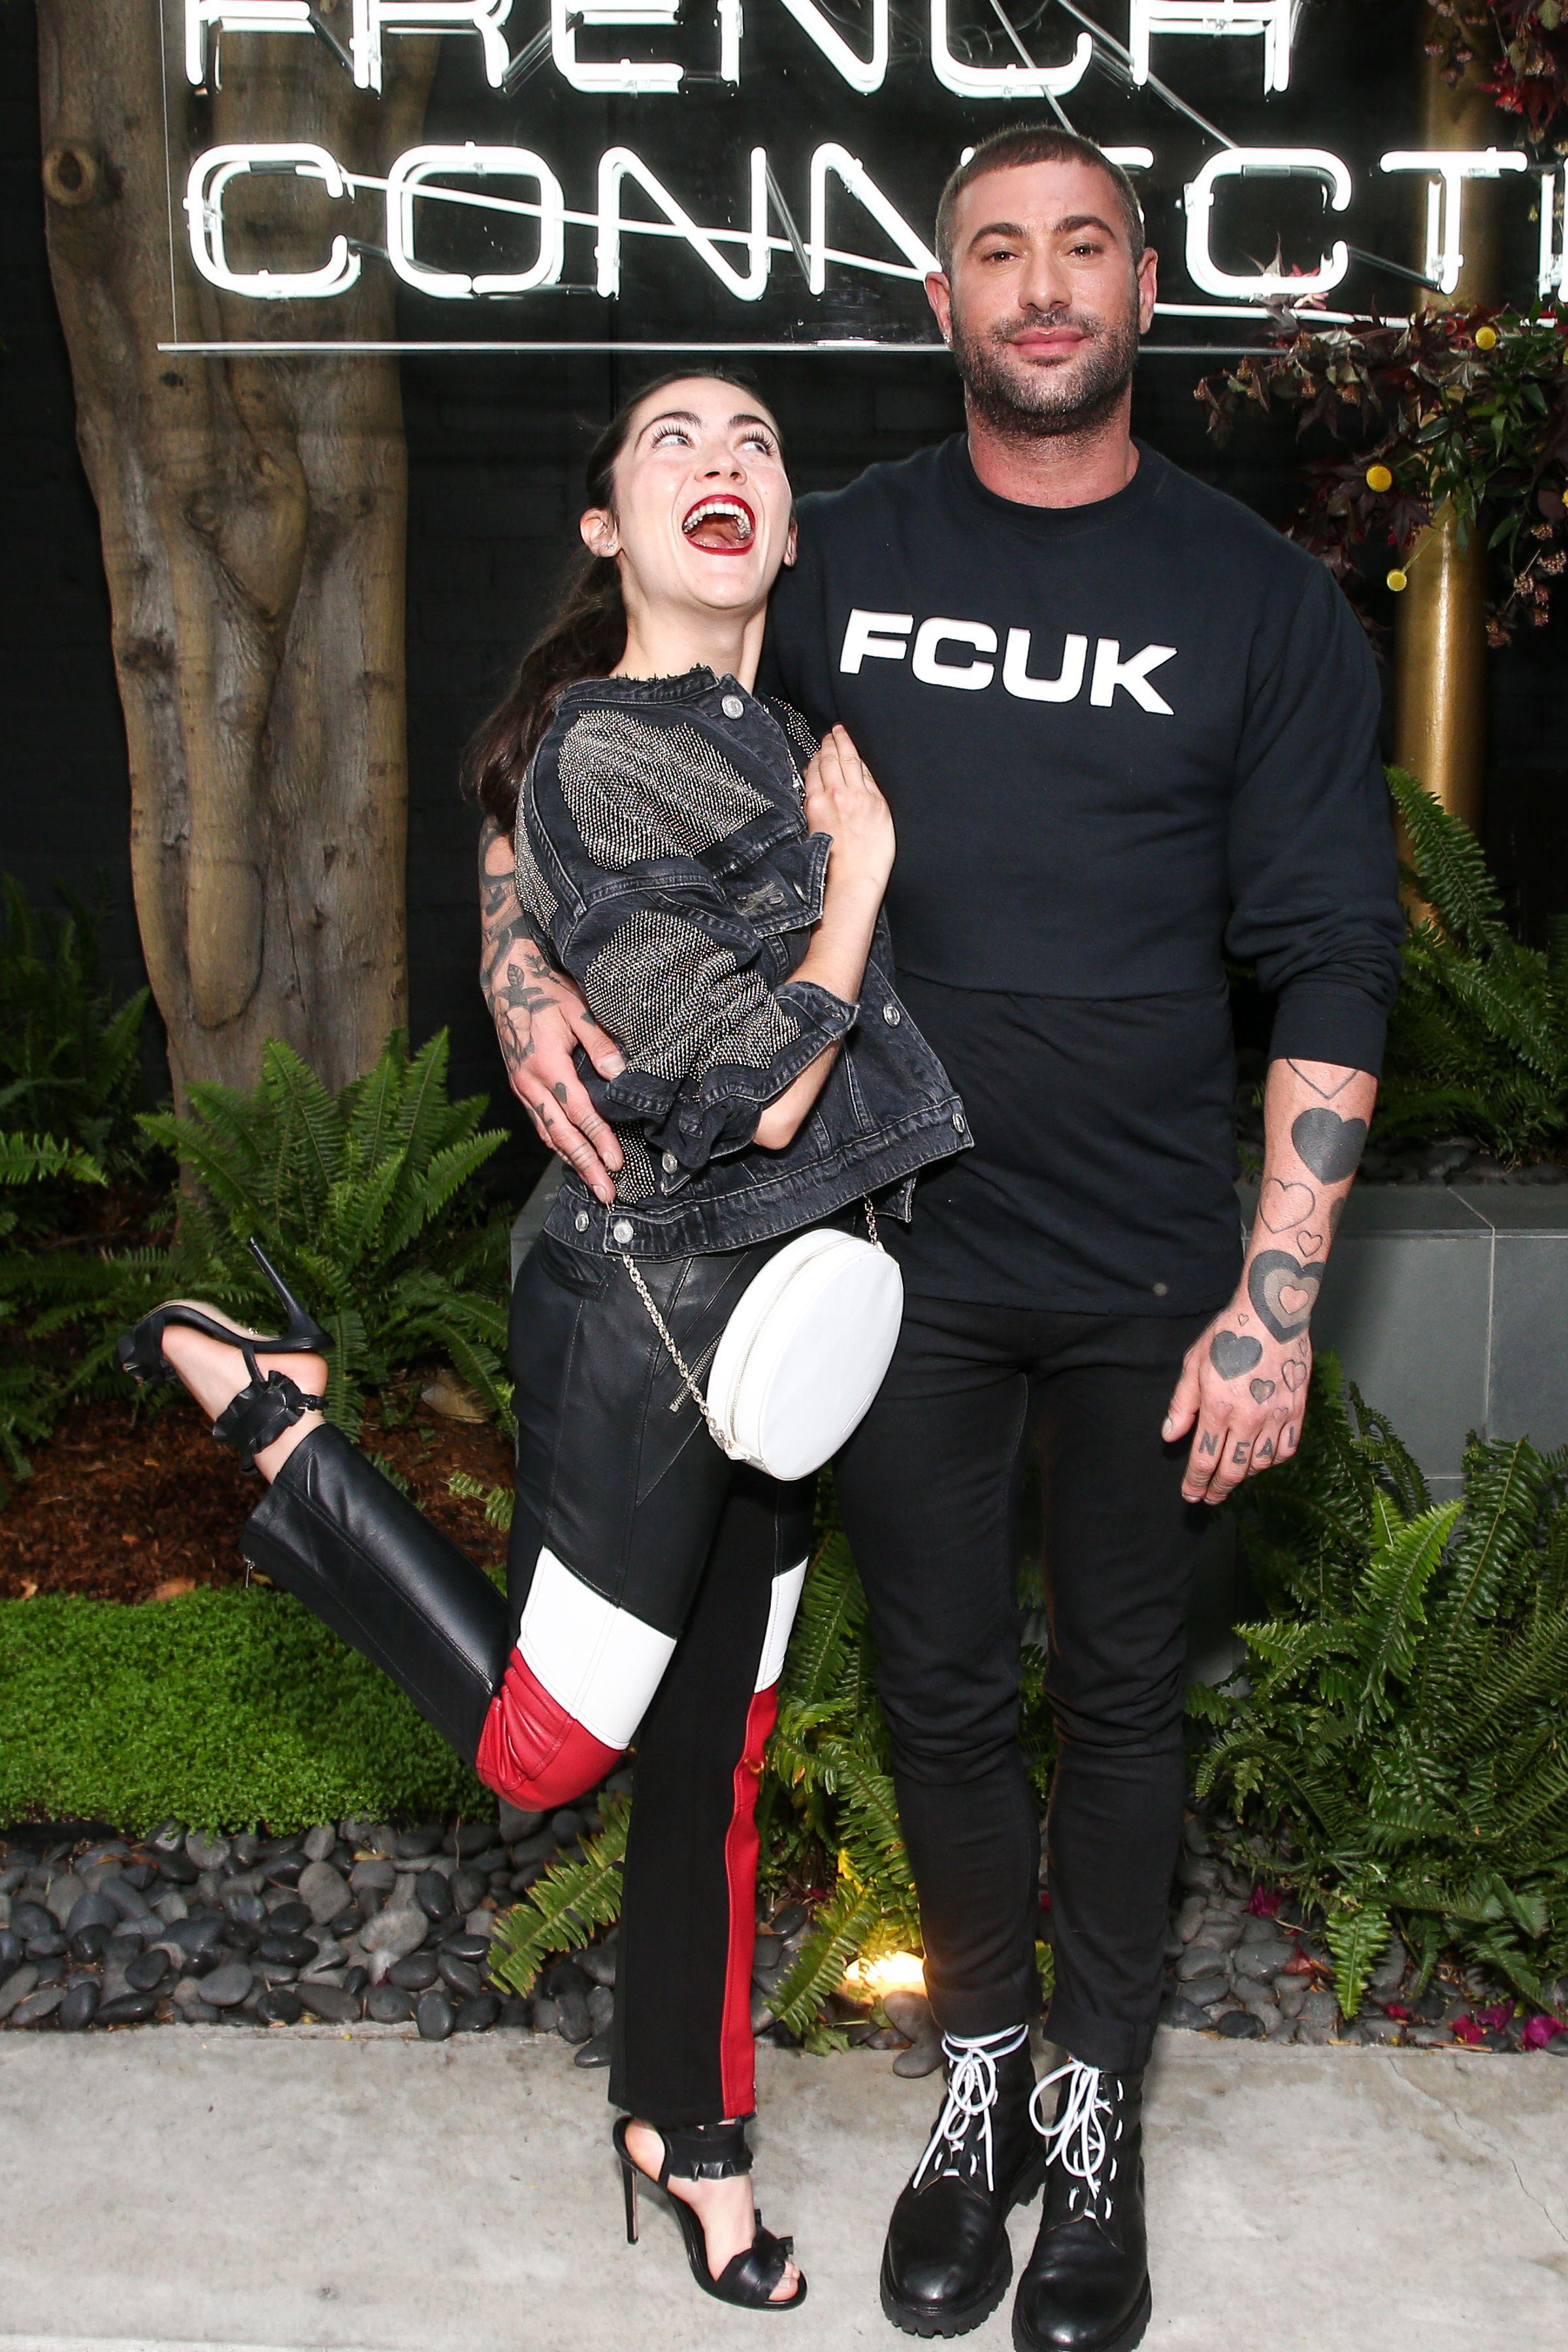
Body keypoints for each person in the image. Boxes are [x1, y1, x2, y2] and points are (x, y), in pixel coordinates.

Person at [488, 133, 1405, 2352]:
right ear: (944, 303)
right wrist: (520, 965)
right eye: (998, 249)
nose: (1043, 283)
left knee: (1126, 1698)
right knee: (941, 1692)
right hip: (880, 1252)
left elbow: (1336, 956)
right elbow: (597, 713)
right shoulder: (843, 550)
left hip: (1157, 1263)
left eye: (1083, 245)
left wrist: (1276, 1302)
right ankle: (982, 2077)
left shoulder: (1262, 601)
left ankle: (1095, 2120)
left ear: (1145, 287)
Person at [117, 368, 968, 2317]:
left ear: (790, 525)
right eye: (673, 442)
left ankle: (695, 2135)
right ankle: (274, 1417)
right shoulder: (605, 748)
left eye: (755, 444)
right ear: (606, 528)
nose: (721, 463)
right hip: (648, 1323)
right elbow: (757, 1084)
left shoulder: (789, 740)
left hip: (788, 1334)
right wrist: (857, 881)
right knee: (543, 1754)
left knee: (717, 1770)